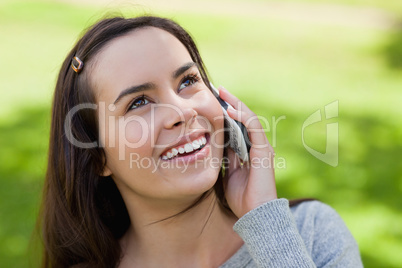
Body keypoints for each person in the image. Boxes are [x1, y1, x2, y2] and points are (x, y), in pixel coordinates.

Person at [38, 16, 363, 268]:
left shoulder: (312, 232)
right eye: (138, 102)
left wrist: (267, 227)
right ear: (97, 157)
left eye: (188, 81)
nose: (182, 110)